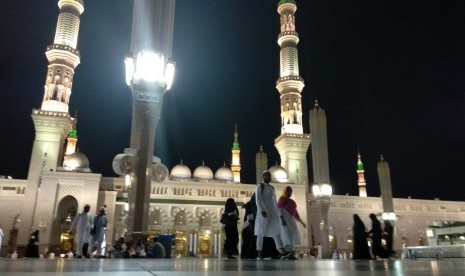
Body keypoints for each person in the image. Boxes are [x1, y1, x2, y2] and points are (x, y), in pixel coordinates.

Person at [254, 170, 286, 260]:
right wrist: (262, 210)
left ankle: (281, 250)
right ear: (263, 176)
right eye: (267, 176)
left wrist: (278, 213)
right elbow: (258, 199)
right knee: (261, 233)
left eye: (269, 176)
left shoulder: (271, 188)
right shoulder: (260, 187)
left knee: (275, 231)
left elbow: (274, 202)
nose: (269, 177)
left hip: (272, 213)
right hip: (263, 213)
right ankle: (259, 252)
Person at [277, 186, 306, 259]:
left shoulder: (292, 202)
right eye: (288, 191)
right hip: (284, 220)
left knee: (292, 235)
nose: (289, 193)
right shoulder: (281, 199)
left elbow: (296, 213)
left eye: (290, 192)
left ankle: (291, 252)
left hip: (291, 221)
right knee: (285, 235)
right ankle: (286, 252)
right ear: (285, 192)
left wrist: (302, 222)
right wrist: (282, 219)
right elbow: (279, 209)